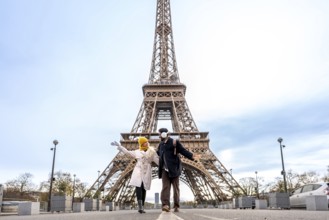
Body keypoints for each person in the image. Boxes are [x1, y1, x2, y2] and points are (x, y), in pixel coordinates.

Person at [157, 128, 201, 212]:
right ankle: (165, 205)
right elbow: (158, 154)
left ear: (164, 134)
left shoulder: (174, 142)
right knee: (165, 188)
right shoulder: (161, 144)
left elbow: (183, 151)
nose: (159, 136)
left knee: (176, 188)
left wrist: (192, 156)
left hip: (174, 169)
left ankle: (176, 205)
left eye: (159, 134)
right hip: (164, 170)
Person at [111, 137, 159, 214]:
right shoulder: (137, 152)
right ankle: (140, 207)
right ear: (141, 144)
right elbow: (127, 152)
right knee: (138, 186)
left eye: (147, 142)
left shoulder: (152, 152)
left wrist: (166, 166)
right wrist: (120, 146)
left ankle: (142, 206)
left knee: (144, 188)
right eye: (144, 142)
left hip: (146, 170)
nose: (146, 143)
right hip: (138, 170)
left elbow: (158, 161)